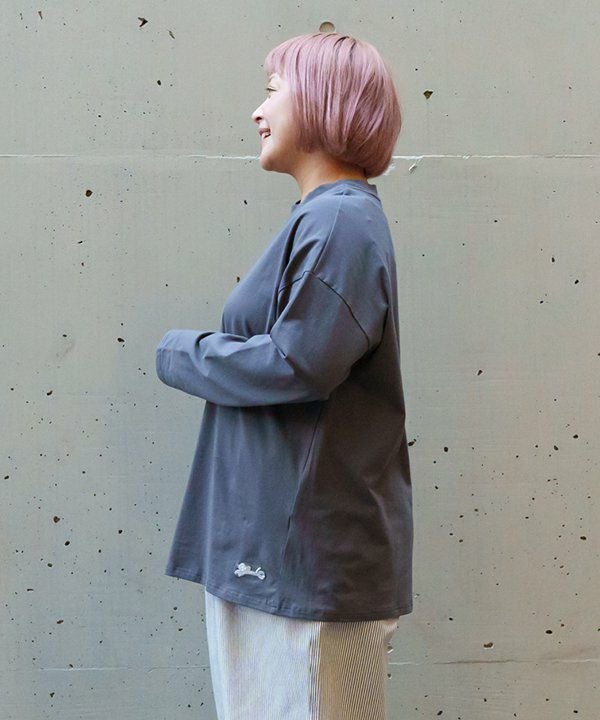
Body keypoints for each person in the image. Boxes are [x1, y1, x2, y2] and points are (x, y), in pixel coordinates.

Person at [155, 31, 413, 720]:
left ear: (325, 102)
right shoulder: (325, 219)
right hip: (276, 556)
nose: (258, 110)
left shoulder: (342, 221)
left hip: (302, 568)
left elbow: (301, 363)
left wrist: (182, 352)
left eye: (273, 91)